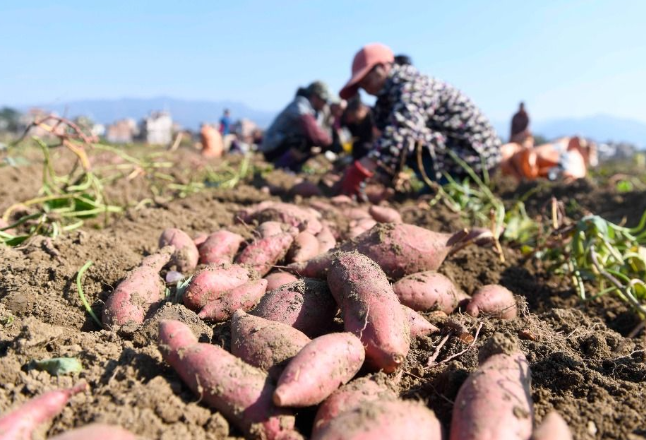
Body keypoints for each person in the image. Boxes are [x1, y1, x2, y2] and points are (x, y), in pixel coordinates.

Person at [337, 43, 502, 197]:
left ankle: (448, 186)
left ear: (383, 67)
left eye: (367, 80)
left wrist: (364, 167)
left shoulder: (413, 85)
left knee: (408, 137)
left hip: (476, 159)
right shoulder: (387, 99)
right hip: (454, 151)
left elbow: (402, 130)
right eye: (362, 86)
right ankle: (436, 183)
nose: (366, 88)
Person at [260, 81, 335, 171]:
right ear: (315, 97)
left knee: (309, 143)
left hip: (281, 145)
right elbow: (314, 133)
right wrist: (328, 141)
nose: (325, 104)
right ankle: (282, 167)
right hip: (272, 147)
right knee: (303, 141)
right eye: (325, 100)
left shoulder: (314, 111)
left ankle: (293, 166)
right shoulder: (300, 105)